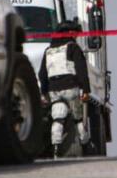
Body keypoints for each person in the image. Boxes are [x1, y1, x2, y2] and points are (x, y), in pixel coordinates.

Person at [38, 21, 90, 155]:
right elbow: (81, 70)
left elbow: (42, 74)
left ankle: (55, 147)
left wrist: (44, 92)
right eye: (76, 33)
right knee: (78, 118)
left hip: (53, 90)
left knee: (58, 118)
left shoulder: (48, 51)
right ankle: (86, 146)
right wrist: (85, 90)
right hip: (71, 88)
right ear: (71, 32)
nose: (77, 36)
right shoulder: (73, 47)